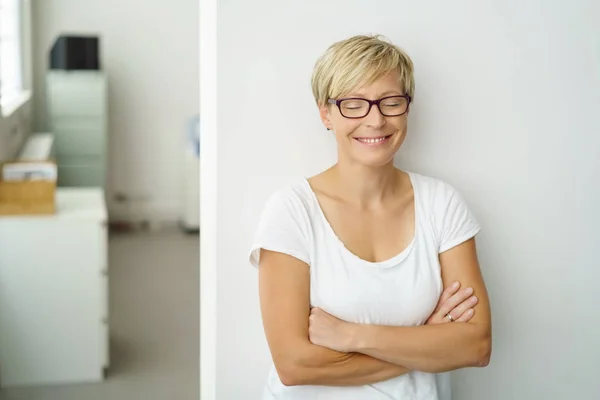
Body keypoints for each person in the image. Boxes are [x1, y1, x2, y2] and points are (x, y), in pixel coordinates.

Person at [248, 34, 492, 400]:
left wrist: (353, 336)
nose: (375, 119)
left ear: (406, 107)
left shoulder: (442, 204)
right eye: (353, 104)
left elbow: (475, 345)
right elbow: (293, 365)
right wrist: (425, 342)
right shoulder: (292, 210)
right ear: (325, 113)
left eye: (390, 102)